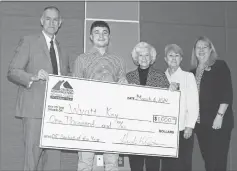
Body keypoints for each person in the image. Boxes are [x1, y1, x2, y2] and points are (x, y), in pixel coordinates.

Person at [7, 6, 70, 171]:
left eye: (55, 20)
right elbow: (13, 71)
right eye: (48, 19)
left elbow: (66, 79)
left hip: (57, 114)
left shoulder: (62, 50)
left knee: (54, 164)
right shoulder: (28, 41)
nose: (51, 22)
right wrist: (32, 77)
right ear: (41, 21)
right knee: (31, 162)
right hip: (34, 111)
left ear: (60, 23)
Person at [72, 20, 126, 171]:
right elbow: (75, 89)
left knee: (112, 163)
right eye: (97, 32)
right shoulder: (81, 59)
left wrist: (124, 82)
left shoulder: (119, 60)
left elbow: (123, 86)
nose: (101, 36)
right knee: (85, 163)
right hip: (88, 117)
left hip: (112, 117)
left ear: (109, 36)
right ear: (90, 36)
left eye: (105, 32)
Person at [191, 36, 234, 171]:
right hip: (201, 124)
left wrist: (219, 116)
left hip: (218, 122)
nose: (201, 50)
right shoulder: (192, 72)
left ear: (211, 50)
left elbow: (227, 92)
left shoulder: (220, 66)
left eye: (205, 47)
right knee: (209, 162)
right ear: (195, 51)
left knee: (218, 163)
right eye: (199, 47)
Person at [126, 42, 170, 171]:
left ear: (151, 58)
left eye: (147, 55)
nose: (144, 58)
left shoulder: (160, 76)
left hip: (153, 128)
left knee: (153, 166)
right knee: (136, 165)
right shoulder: (128, 77)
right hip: (134, 129)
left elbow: (167, 103)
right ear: (136, 58)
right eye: (140, 55)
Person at [161, 44, 199, 171]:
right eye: (170, 55)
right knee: (167, 165)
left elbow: (193, 102)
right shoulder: (160, 78)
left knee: (184, 164)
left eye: (177, 56)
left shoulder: (188, 77)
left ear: (181, 59)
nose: (173, 58)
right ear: (165, 59)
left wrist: (190, 125)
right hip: (165, 129)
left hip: (183, 128)